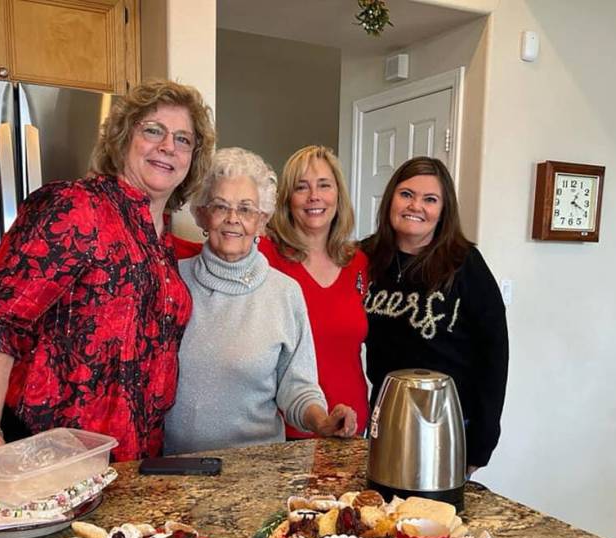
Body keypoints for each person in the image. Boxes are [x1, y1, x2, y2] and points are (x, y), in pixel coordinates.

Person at [0, 79, 215, 461]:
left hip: (131, 462)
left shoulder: (162, 240)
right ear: (124, 138)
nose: (167, 147)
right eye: (153, 131)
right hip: (49, 453)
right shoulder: (77, 207)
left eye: (183, 139)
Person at [165, 147, 358, 455]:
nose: (232, 219)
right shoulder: (172, 282)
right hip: (177, 467)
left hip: (259, 468)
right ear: (202, 213)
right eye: (220, 206)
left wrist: (322, 422)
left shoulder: (284, 292)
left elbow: (297, 386)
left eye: (245, 209)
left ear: (261, 219)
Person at [363, 156, 508, 474]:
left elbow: (494, 353)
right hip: (384, 418)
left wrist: (483, 440)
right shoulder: (367, 258)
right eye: (406, 194)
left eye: (430, 199)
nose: (415, 206)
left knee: (434, 520)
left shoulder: (464, 263)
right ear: (391, 199)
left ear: (444, 211)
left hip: (447, 422)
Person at [261, 145, 370, 439]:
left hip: (351, 428)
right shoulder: (264, 255)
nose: (314, 197)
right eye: (301, 187)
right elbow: (202, 254)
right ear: (287, 200)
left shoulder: (359, 262)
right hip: (286, 430)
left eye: (324, 185)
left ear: (338, 195)